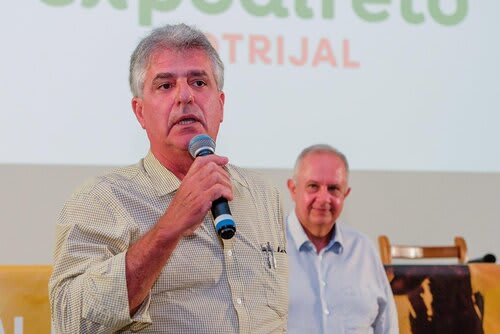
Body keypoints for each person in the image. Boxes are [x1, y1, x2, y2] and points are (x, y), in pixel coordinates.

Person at [48, 23, 288, 333]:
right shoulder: (102, 199)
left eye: (199, 82)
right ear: (140, 113)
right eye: (165, 85)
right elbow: (70, 320)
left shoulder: (263, 195)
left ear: (221, 105)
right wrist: (167, 228)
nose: (185, 96)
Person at [286, 144, 398, 334]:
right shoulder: (267, 247)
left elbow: (387, 327)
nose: (324, 198)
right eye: (313, 186)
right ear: (293, 189)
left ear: (345, 194)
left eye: (334, 188)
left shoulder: (363, 250)